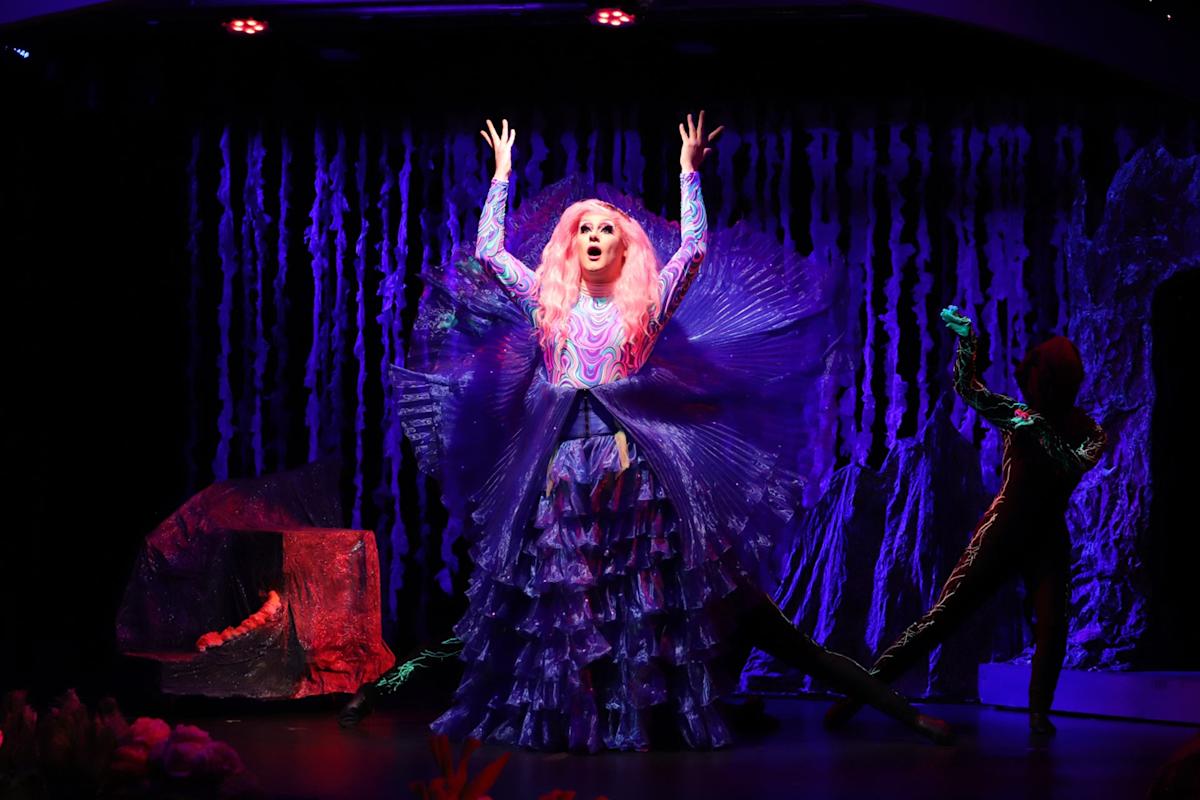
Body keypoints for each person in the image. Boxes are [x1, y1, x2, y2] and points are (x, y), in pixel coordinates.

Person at [343, 114, 950, 750]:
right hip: (562, 491)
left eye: (607, 229)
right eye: (584, 229)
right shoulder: (548, 305)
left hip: (636, 488)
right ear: (569, 245)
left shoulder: (645, 308)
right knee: (521, 614)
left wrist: (689, 173)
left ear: (625, 248)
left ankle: (897, 713)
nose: (595, 236)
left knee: (693, 613)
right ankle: (385, 692)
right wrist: (501, 178)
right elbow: (491, 253)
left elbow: (693, 251)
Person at [824, 305, 1106, 736]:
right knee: (942, 618)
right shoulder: (1021, 416)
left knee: (1052, 627)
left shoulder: (1082, 429)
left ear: (1055, 380)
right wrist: (967, 343)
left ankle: (1038, 714)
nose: (1030, 383)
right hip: (1002, 533)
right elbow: (967, 388)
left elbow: (1074, 462)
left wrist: (1041, 431)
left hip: (1045, 540)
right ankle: (857, 695)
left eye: (1039, 375)